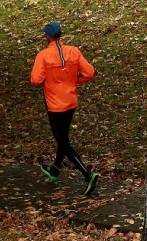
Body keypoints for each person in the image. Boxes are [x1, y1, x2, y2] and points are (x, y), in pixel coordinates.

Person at [30, 21, 99, 195]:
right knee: (63, 137)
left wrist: (50, 80)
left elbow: (36, 80)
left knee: (62, 141)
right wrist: (75, 80)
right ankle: (54, 169)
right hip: (71, 102)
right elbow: (89, 72)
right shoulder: (74, 51)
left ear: (48, 36)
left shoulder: (43, 55)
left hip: (55, 106)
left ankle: (87, 175)